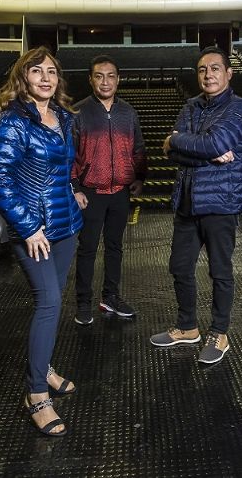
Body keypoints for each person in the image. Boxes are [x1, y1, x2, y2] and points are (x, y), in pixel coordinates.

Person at [0, 47, 83, 436]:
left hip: (66, 226)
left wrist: (72, 189)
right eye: (37, 71)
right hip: (35, 232)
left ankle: (44, 367)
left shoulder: (61, 116)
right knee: (49, 303)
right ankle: (37, 394)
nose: (46, 77)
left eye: (52, 72)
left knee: (55, 301)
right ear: (22, 78)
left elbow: (59, 167)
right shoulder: (12, 123)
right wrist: (27, 227)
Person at [149, 46, 242, 365]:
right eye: (202, 70)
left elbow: (213, 143)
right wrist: (197, 149)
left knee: (220, 271)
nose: (208, 75)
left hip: (220, 203)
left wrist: (179, 141)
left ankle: (219, 333)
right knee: (179, 267)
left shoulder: (239, 107)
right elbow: (173, 152)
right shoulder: (191, 106)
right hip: (187, 200)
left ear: (228, 73)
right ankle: (187, 327)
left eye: (215, 69)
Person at [72, 55, 147, 324]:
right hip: (90, 193)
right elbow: (70, 155)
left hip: (120, 192)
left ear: (118, 79)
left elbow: (138, 148)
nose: (106, 81)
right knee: (88, 248)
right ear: (90, 79)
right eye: (99, 76)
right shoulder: (77, 112)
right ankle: (83, 302)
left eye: (111, 75)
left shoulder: (128, 112)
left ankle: (110, 297)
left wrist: (139, 176)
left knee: (115, 247)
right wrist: (75, 187)